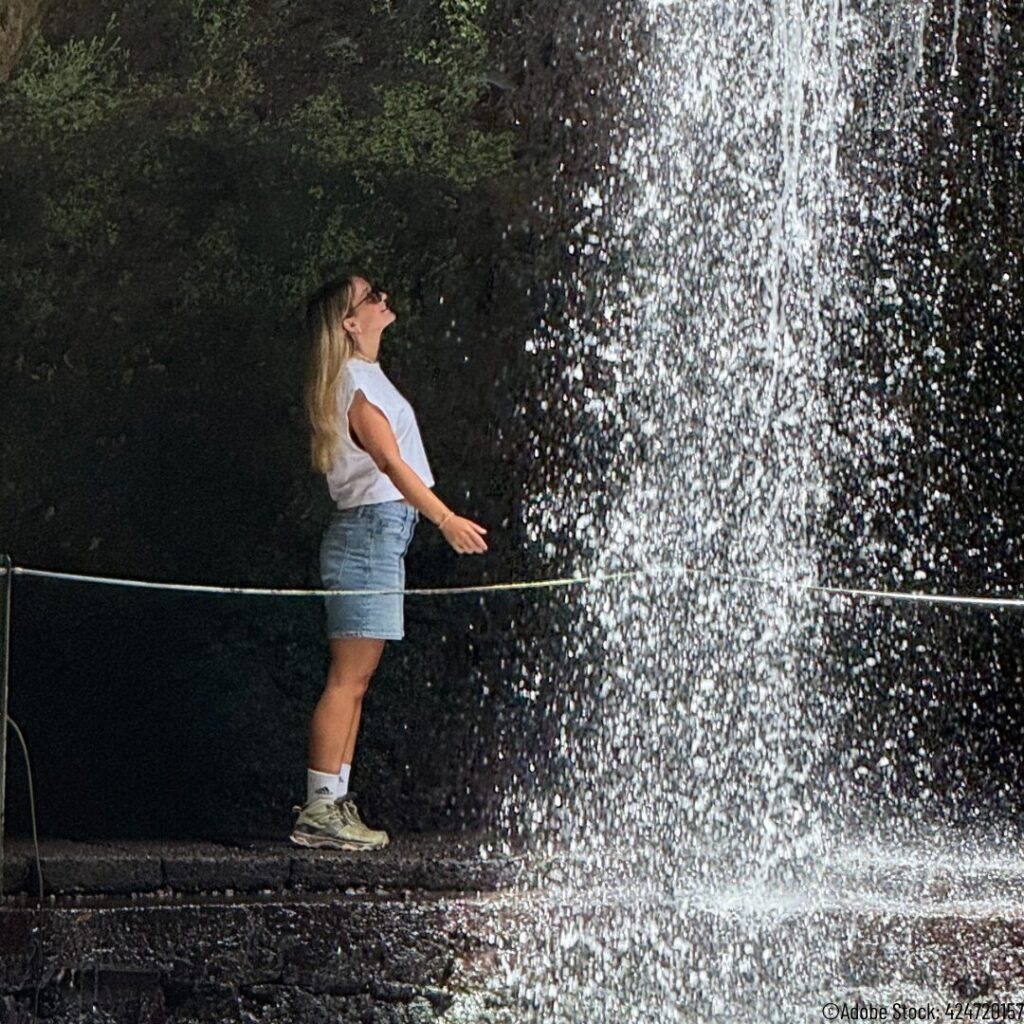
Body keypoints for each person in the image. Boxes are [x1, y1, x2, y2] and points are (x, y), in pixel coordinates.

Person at [293, 273, 489, 850]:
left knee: (358, 680)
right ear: (350, 324)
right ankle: (320, 807)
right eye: (369, 298)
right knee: (347, 679)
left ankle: (334, 801)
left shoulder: (363, 376)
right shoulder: (355, 381)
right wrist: (445, 518)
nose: (382, 300)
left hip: (379, 533)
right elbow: (390, 461)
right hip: (371, 532)